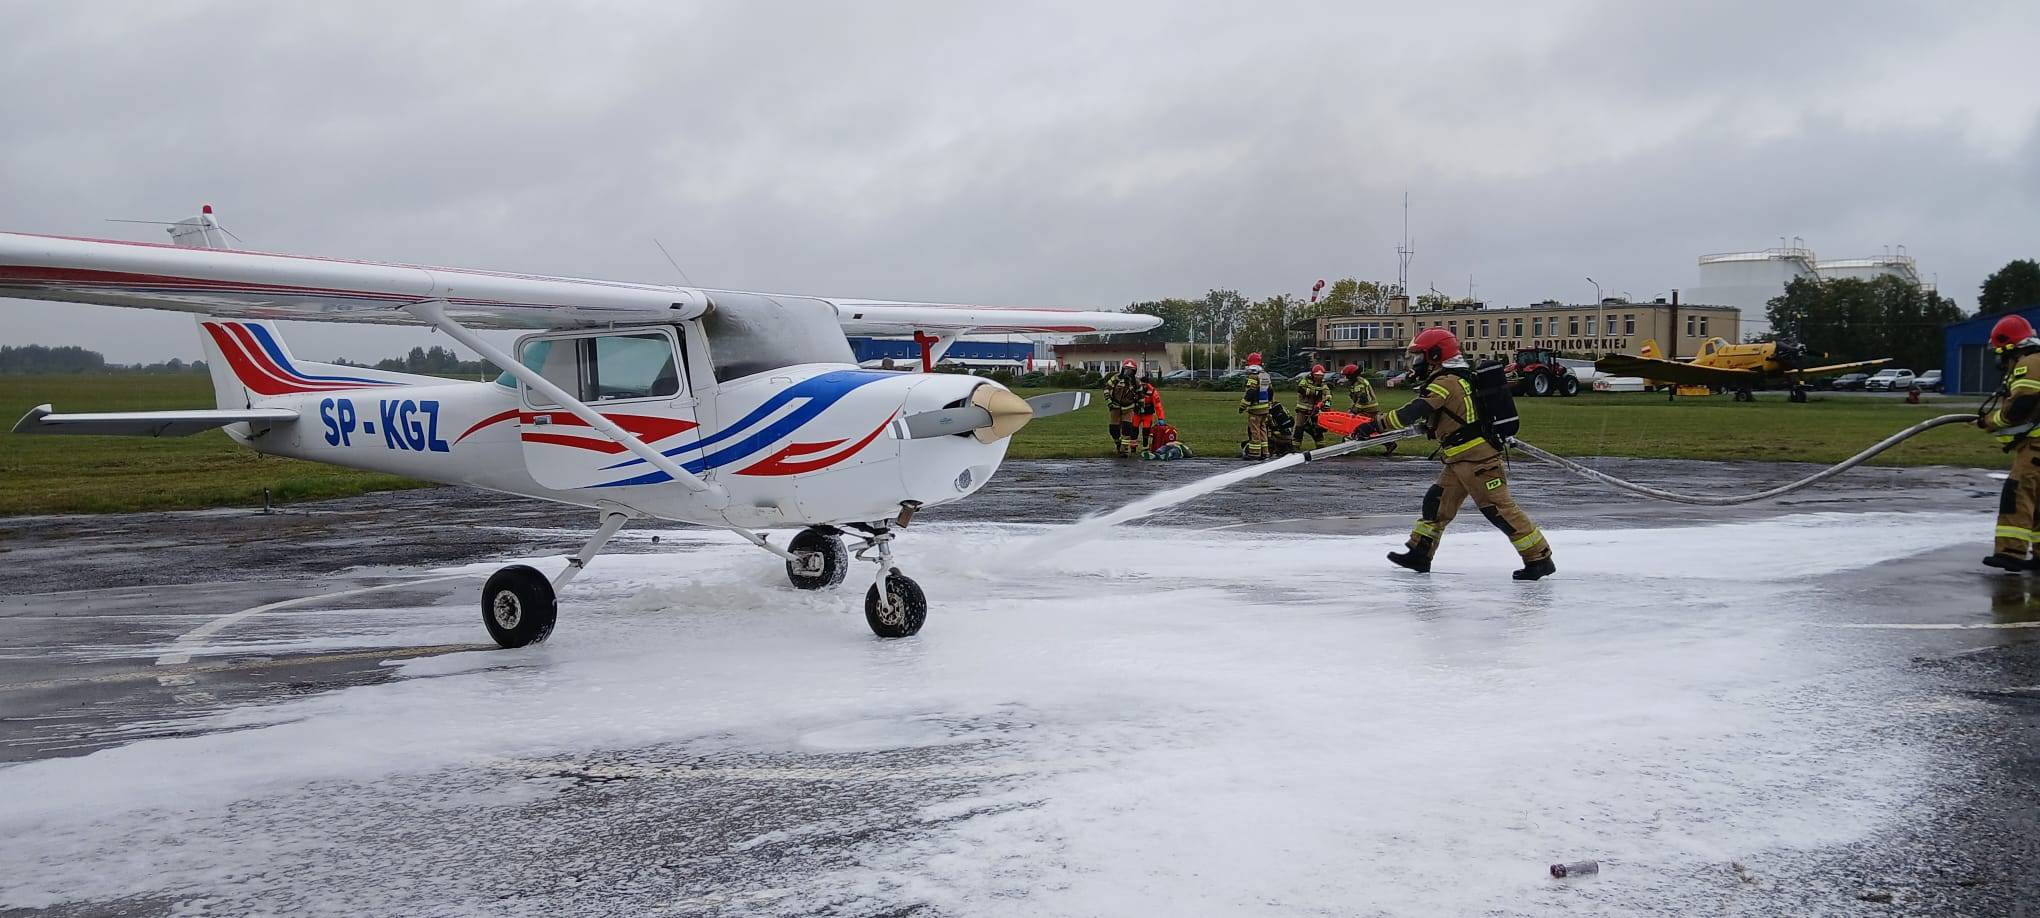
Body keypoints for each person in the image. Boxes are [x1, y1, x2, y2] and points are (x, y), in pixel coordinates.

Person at [1352, 328, 1555, 581]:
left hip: (1477, 460)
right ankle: (1419, 553)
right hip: (1460, 458)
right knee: (1436, 504)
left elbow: (1412, 411)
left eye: (1419, 356)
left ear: (1436, 356)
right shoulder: (1454, 378)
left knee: (1500, 510)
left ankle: (1539, 558)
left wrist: (1374, 425)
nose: (1416, 363)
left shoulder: (1445, 382)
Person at [1978, 314, 2040, 571]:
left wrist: (1989, 421)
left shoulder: (2029, 363)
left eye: (2000, 353)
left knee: (2017, 493)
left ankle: (2010, 552)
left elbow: (2020, 406)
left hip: (2036, 447)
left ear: (2010, 348)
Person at [1341, 363, 1396, 455]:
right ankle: (1390, 443)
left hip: (1367, 409)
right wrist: (1352, 408)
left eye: (1347, 376)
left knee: (1356, 427)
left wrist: (1353, 411)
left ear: (1352, 375)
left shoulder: (1359, 384)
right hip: (1371, 408)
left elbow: (1362, 399)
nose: (1346, 378)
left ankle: (1346, 449)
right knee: (1374, 428)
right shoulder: (1357, 382)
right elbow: (1356, 399)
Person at [1237, 353, 1274, 460]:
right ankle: (1265, 452)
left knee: (1255, 431)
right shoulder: (1265, 376)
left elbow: (1250, 393)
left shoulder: (1253, 377)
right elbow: (1270, 391)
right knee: (1263, 430)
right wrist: (1269, 404)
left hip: (1255, 410)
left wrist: (1242, 407)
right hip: (1265, 408)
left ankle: (1255, 453)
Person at [1103, 359, 1143, 457]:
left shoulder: (1136, 382)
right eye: (1126, 369)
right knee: (1113, 429)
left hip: (1128, 407)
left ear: (1134, 371)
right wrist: (1109, 401)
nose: (1128, 372)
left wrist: (1141, 406)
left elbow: (1141, 395)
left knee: (1127, 428)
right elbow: (1106, 389)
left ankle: (1124, 449)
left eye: (1130, 370)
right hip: (1115, 406)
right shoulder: (1115, 378)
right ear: (1122, 369)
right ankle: (1118, 444)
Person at [1295, 365, 1331, 450]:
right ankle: (1295, 447)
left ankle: (1321, 447)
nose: (1319, 377)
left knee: (1317, 429)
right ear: (1312, 374)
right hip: (1302, 410)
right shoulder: (1305, 380)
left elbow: (1327, 395)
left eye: (1321, 375)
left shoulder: (1323, 384)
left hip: (1315, 411)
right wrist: (1317, 392)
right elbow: (1301, 389)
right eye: (1317, 375)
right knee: (1299, 428)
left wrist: (1327, 406)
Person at [1131, 370, 1166, 453]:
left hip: (1148, 414)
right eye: (1141, 384)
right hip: (1137, 413)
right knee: (1134, 429)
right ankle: (1133, 447)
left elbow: (1158, 406)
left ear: (1147, 384)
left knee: (1146, 431)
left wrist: (1161, 418)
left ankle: (1145, 447)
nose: (1142, 386)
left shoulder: (1153, 392)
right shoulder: (1135, 389)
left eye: (1144, 385)